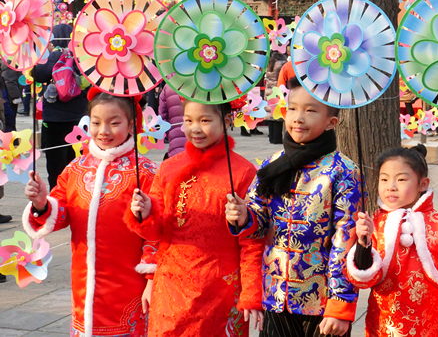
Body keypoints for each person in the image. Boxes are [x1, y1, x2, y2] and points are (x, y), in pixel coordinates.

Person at [226, 76, 361, 337]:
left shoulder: (343, 172)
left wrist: (340, 305)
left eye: (310, 110)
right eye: (293, 108)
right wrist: (244, 217)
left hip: (321, 300)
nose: (298, 117)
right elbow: (259, 223)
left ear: (331, 122)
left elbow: (346, 239)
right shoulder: (271, 165)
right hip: (275, 293)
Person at [22, 88, 158, 337]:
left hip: (131, 285)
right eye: (96, 123)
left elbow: (158, 234)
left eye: (114, 123)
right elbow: (60, 212)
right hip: (84, 284)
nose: (104, 131)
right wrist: (42, 203)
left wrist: (152, 279)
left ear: (131, 124)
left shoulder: (147, 172)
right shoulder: (76, 168)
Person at [127, 99, 264, 335]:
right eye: (188, 121)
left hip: (220, 289)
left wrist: (251, 294)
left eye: (205, 120)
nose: (195, 128)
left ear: (228, 121)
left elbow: (252, 242)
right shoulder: (169, 168)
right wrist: (145, 213)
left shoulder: (242, 172)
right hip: (170, 287)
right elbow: (153, 234)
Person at [345, 145, 438, 336]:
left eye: (401, 179)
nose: (391, 186)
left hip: (433, 319)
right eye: (384, 179)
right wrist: (363, 244)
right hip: (385, 320)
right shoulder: (374, 223)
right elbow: (364, 280)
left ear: (423, 184)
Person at [32, 24, 89, 188]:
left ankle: (57, 198)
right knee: (77, 160)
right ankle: (76, 195)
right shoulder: (82, 57)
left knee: (56, 163)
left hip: (55, 119)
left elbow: (38, 75)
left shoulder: (54, 56)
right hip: (79, 117)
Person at [157, 82, 186, 159]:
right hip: (201, 139)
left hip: (175, 138)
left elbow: (162, 117)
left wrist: (170, 134)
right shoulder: (203, 81)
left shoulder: (168, 86)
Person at [1, 60, 21, 131]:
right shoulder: (8, 68)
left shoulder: (6, 69)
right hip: (9, 100)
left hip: (9, 99)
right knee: (10, 123)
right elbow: (10, 84)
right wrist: (16, 97)